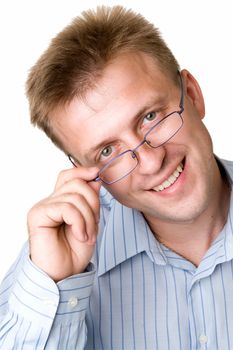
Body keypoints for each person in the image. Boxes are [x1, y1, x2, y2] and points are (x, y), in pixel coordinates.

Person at [0, 5, 232, 349]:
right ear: (82, 169)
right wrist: (59, 285)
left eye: (151, 116)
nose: (151, 161)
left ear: (193, 95)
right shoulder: (51, 264)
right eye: (108, 151)